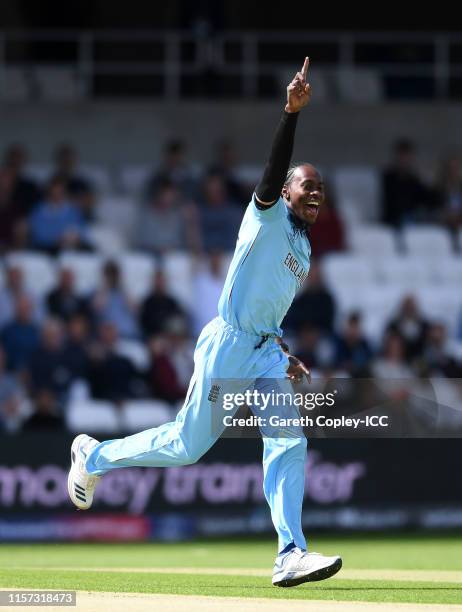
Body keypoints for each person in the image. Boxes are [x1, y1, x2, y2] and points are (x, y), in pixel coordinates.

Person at [67, 58, 342, 587]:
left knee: (288, 438)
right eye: (305, 186)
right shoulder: (263, 216)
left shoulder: (304, 251)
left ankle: (290, 552)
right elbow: (272, 169)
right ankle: (93, 454)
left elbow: (267, 306)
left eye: (320, 190)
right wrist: (290, 115)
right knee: (186, 447)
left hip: (263, 351)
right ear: (285, 192)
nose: (314, 193)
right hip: (227, 348)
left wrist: (284, 354)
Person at [381, 139, 432, 227]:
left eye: (407, 156)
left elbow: (427, 200)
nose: (404, 160)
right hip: (390, 222)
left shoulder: (414, 180)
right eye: (402, 156)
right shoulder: (385, 179)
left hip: (411, 221)